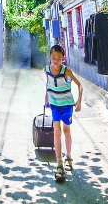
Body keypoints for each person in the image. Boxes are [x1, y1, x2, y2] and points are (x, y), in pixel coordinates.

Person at [44, 44, 83, 181]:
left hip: (67, 106)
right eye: (53, 57)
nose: (56, 60)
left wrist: (79, 101)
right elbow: (48, 84)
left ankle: (69, 157)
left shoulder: (66, 71)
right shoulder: (47, 70)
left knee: (66, 131)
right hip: (55, 105)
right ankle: (59, 163)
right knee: (56, 131)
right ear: (50, 57)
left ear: (63, 59)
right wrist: (46, 99)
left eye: (59, 58)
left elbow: (80, 85)